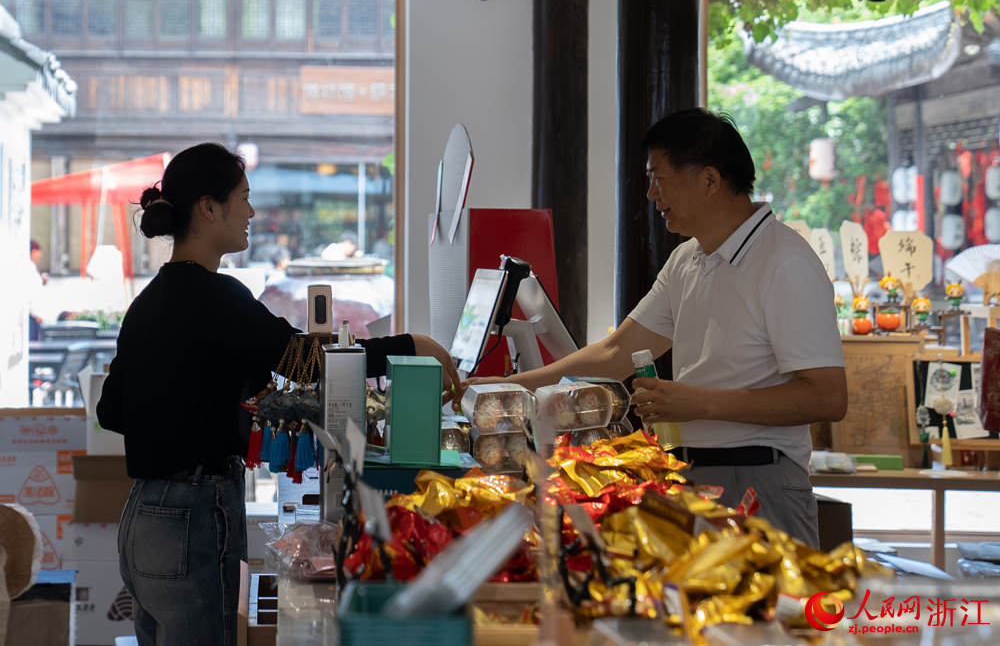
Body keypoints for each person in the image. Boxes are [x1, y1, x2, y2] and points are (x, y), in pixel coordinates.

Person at [96, 143, 458, 645]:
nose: (250, 212)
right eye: (242, 197)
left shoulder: (146, 303)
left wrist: (217, 388)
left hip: (142, 519)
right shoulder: (218, 296)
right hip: (196, 516)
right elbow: (306, 362)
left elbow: (112, 410)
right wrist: (412, 345)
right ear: (209, 207)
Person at [458, 109, 846, 546]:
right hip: (689, 477)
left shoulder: (786, 262)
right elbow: (616, 351)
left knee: (764, 614)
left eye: (658, 178)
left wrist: (699, 403)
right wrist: (509, 387)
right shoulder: (688, 259)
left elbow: (827, 397)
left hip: (758, 479)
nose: (649, 194)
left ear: (710, 180)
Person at [27, 239, 47, 340]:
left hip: (33, 316)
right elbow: (31, 294)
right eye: (38, 251)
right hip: (32, 316)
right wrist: (37, 314)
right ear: (32, 251)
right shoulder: (28, 268)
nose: (40, 254)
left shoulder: (31, 268)